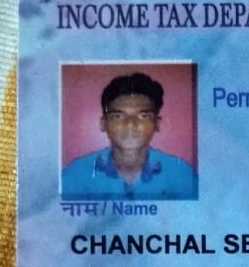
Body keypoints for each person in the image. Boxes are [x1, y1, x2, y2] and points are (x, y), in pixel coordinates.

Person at [61, 72, 197, 199]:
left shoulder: (180, 174)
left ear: (157, 123)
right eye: (118, 116)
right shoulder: (77, 173)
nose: (130, 124)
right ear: (103, 124)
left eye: (143, 116)